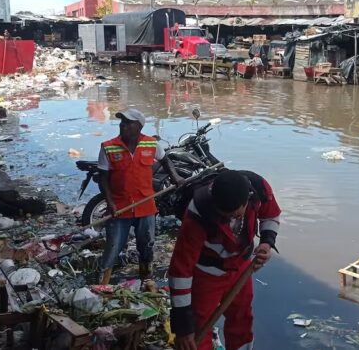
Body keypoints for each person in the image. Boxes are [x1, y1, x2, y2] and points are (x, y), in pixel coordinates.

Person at [168, 170, 282, 350]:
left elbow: (271, 215)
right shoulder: (198, 213)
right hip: (206, 275)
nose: (230, 220)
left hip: (241, 268)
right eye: (223, 216)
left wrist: (266, 243)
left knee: (242, 319)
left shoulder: (259, 188)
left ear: (247, 201)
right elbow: (180, 271)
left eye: (236, 216)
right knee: (198, 329)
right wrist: (183, 327)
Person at [97, 108, 181, 285]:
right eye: (122, 122)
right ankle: (101, 283)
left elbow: (166, 160)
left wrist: (175, 177)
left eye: (127, 122)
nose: (123, 125)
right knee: (113, 247)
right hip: (120, 208)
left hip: (146, 206)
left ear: (138, 126)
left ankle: (146, 279)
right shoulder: (108, 147)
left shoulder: (151, 144)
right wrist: (110, 202)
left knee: (147, 245)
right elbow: (102, 179)